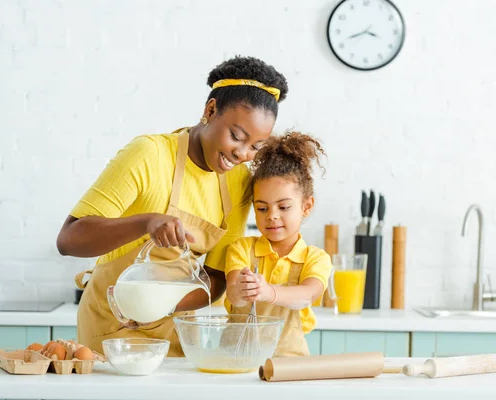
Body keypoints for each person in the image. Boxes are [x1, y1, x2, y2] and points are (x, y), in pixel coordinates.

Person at [56, 56, 289, 356]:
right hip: (109, 324)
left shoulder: (238, 184)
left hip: (175, 330)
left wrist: (158, 306)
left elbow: (216, 276)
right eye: (236, 136)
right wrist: (146, 222)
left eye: (255, 147)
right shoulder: (149, 155)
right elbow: (69, 239)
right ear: (210, 110)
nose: (242, 154)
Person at [224, 132, 332, 357]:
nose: (272, 216)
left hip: (289, 364)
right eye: (262, 208)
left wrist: (268, 292)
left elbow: (308, 295)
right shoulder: (242, 249)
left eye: (283, 207)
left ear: (306, 206)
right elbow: (233, 295)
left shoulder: (315, 258)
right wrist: (242, 290)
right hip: (235, 360)